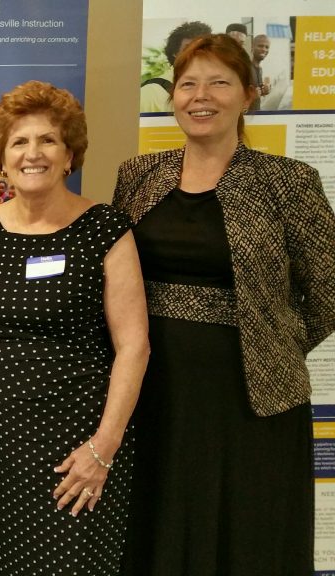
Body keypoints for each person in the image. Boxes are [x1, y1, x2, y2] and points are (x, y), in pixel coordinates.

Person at [113, 34, 335, 575]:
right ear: (173, 96)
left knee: (249, 534)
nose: (200, 95)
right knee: (159, 523)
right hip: (154, 390)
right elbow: (117, 283)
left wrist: (271, 339)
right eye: (188, 83)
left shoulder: (288, 182)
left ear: (249, 95)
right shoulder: (138, 176)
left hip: (251, 399)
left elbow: (329, 292)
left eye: (219, 82)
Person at [0, 80, 150, 575]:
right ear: (2, 157)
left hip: (78, 445)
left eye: (47, 141)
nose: (32, 153)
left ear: (69, 155)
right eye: (19, 142)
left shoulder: (105, 227)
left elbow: (135, 346)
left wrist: (103, 447)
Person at [141, 21, 211, 113]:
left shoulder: (217, 89)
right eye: (189, 49)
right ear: (175, 53)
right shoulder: (151, 92)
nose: (198, 54)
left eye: (204, 48)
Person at [250, 33, 271, 110]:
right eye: (260, 46)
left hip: (256, 115)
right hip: (245, 116)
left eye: (267, 47)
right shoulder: (245, 68)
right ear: (252, 47)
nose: (264, 49)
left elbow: (256, 92)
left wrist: (265, 91)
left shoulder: (259, 69)